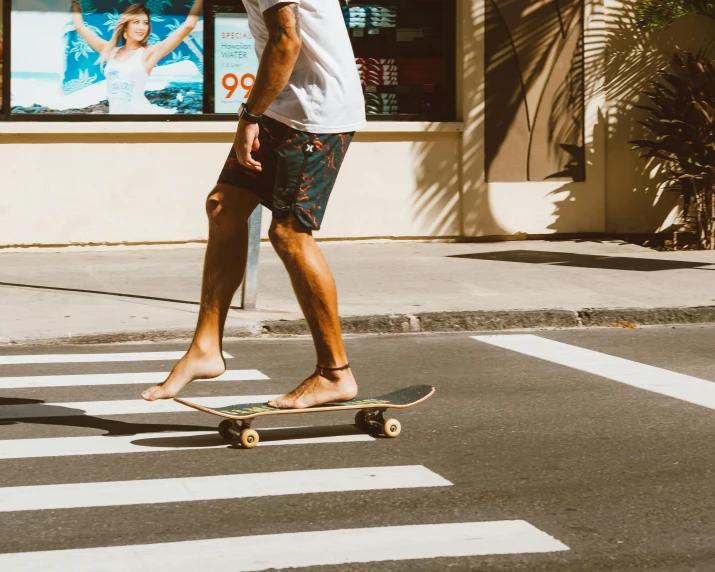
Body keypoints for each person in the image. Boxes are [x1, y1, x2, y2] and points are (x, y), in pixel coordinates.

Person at [141, 0, 366, 409]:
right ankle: (206, 348)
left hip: (315, 115)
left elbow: (286, 41)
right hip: (282, 108)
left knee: (289, 234)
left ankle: (336, 374)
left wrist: (249, 116)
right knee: (224, 206)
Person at [71, 0, 202, 114]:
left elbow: (188, 26)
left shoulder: (148, 54)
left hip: (142, 120)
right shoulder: (110, 52)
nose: (142, 27)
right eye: (136, 22)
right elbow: (80, 27)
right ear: (126, 26)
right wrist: (75, 2)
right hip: (116, 122)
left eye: (145, 23)